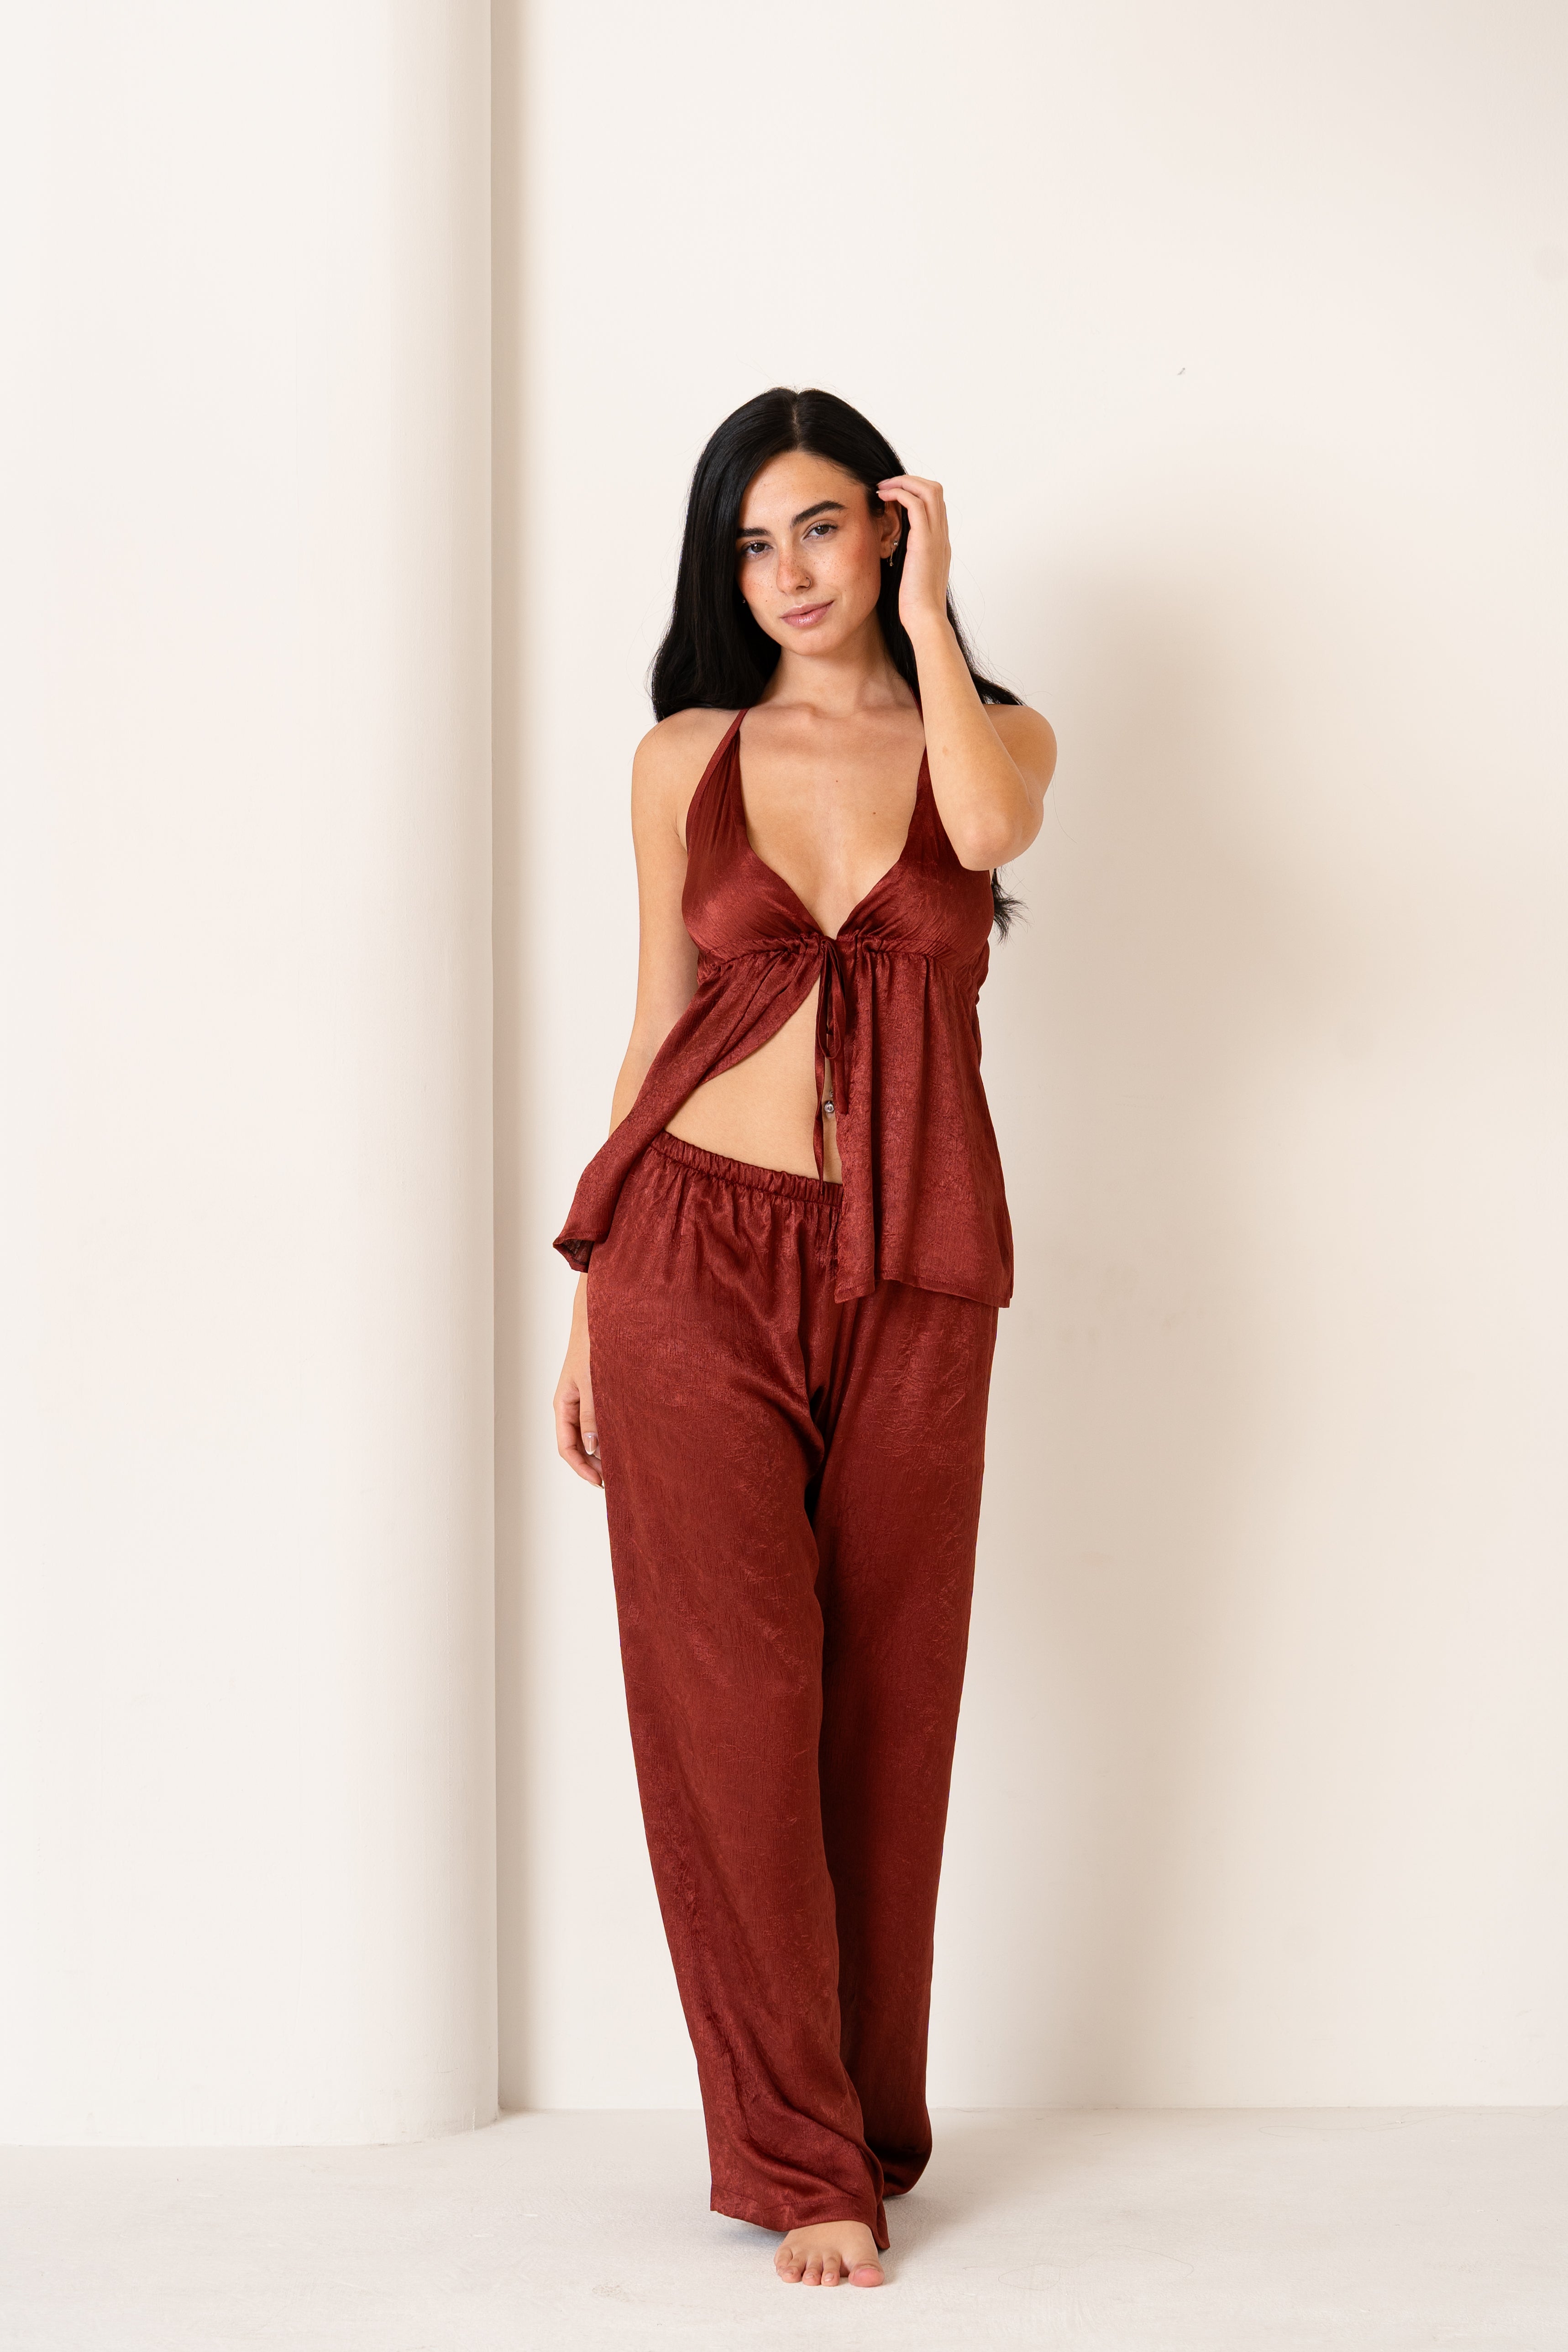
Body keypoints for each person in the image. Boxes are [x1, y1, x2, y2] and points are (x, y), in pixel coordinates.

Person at [552, 387, 1055, 2289]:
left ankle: (860, 2112)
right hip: (687, 1249)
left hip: (919, 1265)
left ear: (889, 527)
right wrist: (590, 1291)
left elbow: (988, 827)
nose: (787, 572)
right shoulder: (682, 756)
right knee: (730, 1705)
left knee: (889, 1699)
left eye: (822, 526)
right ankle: (795, 2154)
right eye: (751, 543)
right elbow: (650, 1021)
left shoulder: (992, 735)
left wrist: (930, 622)